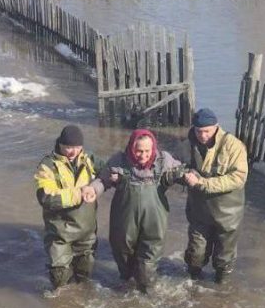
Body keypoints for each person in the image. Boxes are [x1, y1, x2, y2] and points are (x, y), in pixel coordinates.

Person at [99, 129, 185, 293]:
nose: (143, 155)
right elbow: (102, 180)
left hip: (154, 219)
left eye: (147, 151)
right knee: (122, 250)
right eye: (139, 151)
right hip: (125, 218)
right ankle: (127, 286)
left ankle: (146, 293)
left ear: (153, 148)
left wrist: (188, 177)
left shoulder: (163, 159)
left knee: (148, 262)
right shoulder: (119, 160)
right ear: (131, 147)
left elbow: (182, 172)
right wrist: (92, 190)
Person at [34, 125, 106, 289]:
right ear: (60, 144)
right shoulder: (47, 166)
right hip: (59, 233)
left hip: (86, 232)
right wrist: (79, 194)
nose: (72, 151)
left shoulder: (89, 159)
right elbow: (46, 198)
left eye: (76, 147)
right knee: (60, 281)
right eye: (68, 147)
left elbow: (108, 172)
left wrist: (95, 188)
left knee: (84, 277)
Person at [182, 108, 249, 283]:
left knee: (223, 258)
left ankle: (222, 288)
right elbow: (177, 164)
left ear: (216, 127)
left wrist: (203, 183)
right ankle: (193, 284)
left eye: (206, 131)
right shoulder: (188, 143)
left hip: (227, 214)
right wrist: (183, 175)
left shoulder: (234, 145)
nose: (202, 136)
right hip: (199, 212)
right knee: (195, 254)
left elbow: (238, 178)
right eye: (198, 131)